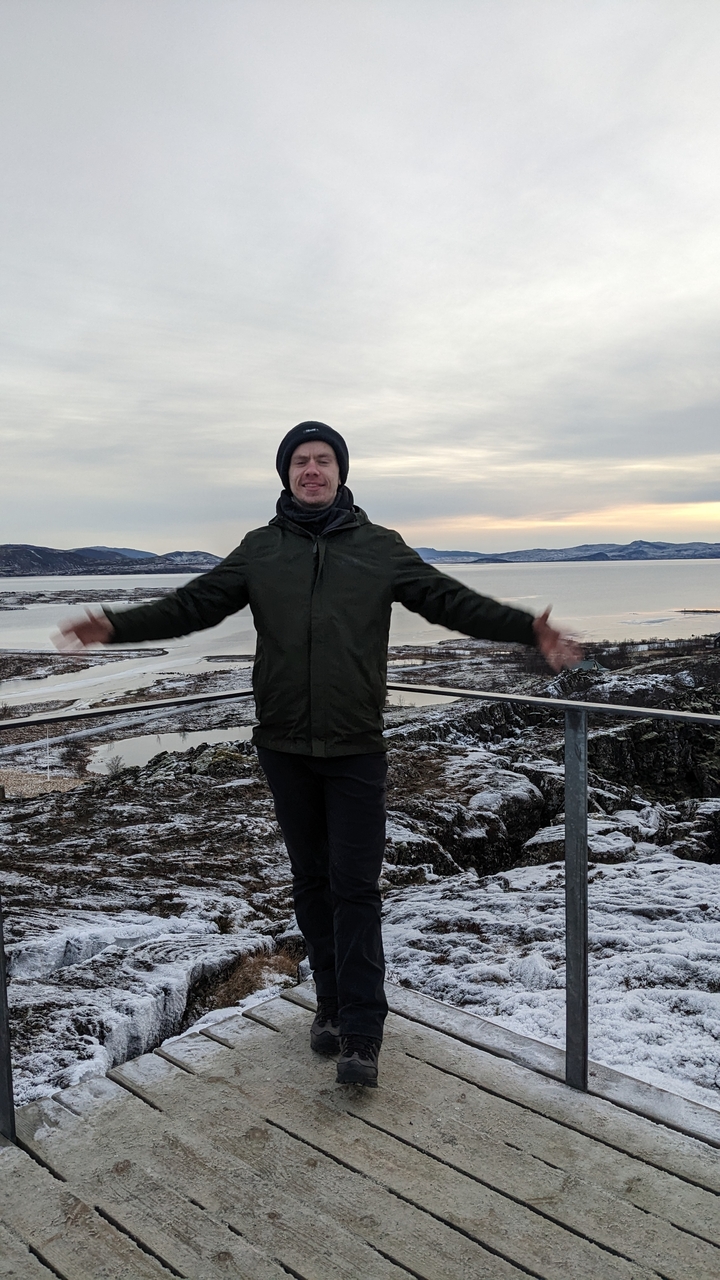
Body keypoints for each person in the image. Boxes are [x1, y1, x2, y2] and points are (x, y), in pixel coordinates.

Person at [57, 421, 580, 1087]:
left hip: (355, 746)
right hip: (284, 745)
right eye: (300, 461)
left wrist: (526, 629)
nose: (312, 469)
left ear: (340, 472)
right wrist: (117, 626)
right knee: (311, 884)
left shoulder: (380, 548)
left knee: (356, 889)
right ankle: (329, 1004)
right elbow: (194, 606)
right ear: (286, 474)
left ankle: (362, 1032)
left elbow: (451, 602)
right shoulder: (260, 550)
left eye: (322, 460)